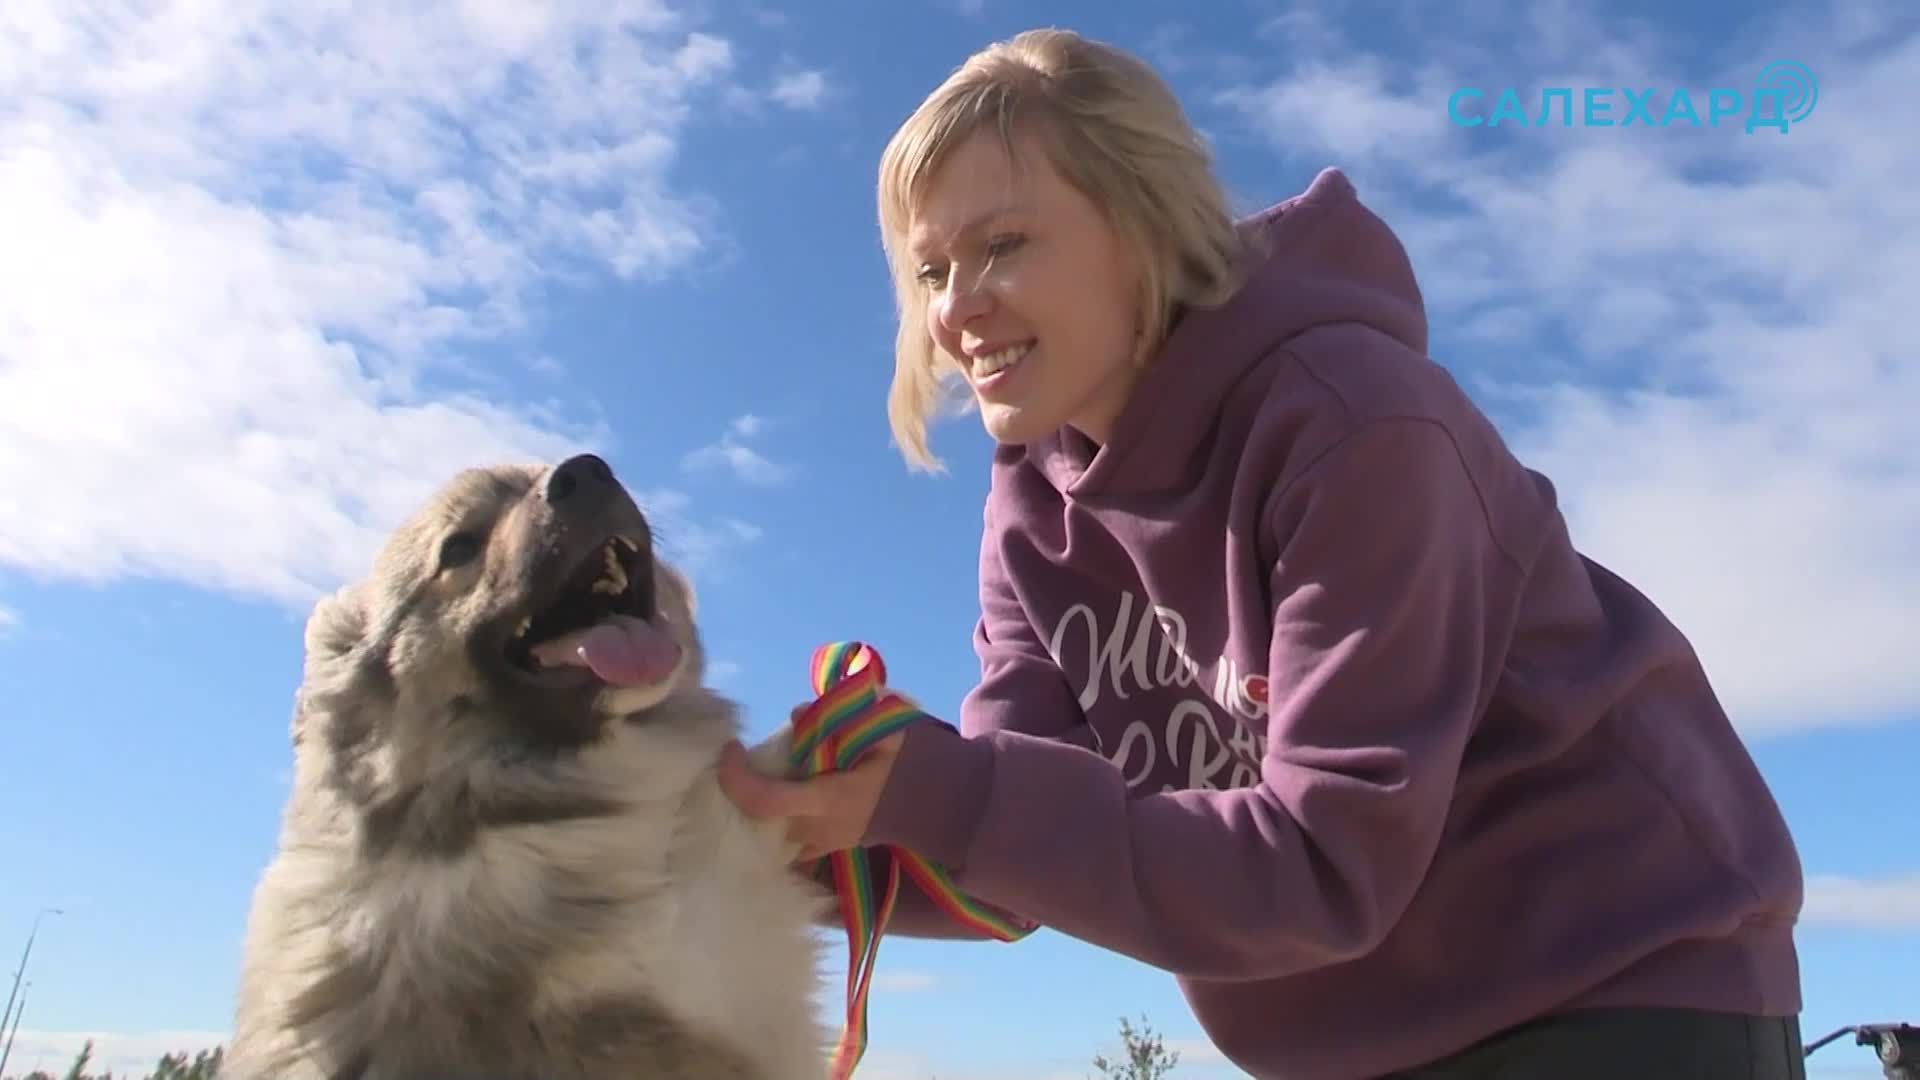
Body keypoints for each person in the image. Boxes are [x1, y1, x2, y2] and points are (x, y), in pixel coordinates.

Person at [715, 27, 1808, 1080]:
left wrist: (949, 797)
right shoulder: (1029, 514)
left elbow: (1328, 870)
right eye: (931, 270)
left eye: (1003, 244)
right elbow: (1009, 859)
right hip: (1348, 1037)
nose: (957, 311)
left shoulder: (1356, 425)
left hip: (1618, 994)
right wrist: (770, 845)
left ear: (1143, 225)